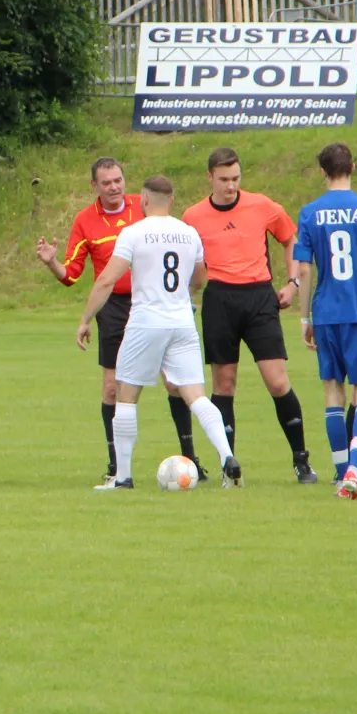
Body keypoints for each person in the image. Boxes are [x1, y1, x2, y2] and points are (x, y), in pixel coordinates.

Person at [37, 157, 202, 480]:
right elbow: (71, 275)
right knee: (113, 387)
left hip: (154, 302)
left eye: (118, 180)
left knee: (174, 382)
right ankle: (116, 467)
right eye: (106, 182)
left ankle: (190, 458)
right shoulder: (85, 221)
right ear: (94, 186)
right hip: (113, 306)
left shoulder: (143, 207)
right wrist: (52, 262)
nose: (114, 187)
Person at [73, 176, 237, 490]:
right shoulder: (189, 233)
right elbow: (200, 277)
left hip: (146, 322)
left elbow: (107, 280)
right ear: (172, 200)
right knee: (195, 395)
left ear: (144, 200)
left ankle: (123, 477)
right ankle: (227, 457)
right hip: (182, 322)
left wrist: (85, 319)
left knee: (127, 395)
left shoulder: (133, 233)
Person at [181, 147, 320, 484]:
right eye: (224, 179)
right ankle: (229, 467)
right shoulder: (192, 216)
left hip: (259, 297)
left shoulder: (262, 206)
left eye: (236, 178)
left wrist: (293, 283)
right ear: (209, 177)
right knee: (224, 384)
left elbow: (290, 241)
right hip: (219, 299)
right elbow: (186, 261)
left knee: (277, 381)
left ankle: (301, 460)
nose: (231, 186)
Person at [287, 143, 357, 500]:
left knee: (333, 389)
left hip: (327, 312)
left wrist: (305, 317)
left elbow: (303, 269)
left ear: (322, 172)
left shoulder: (310, 213)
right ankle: (354, 471)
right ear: (353, 168)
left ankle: (339, 470)